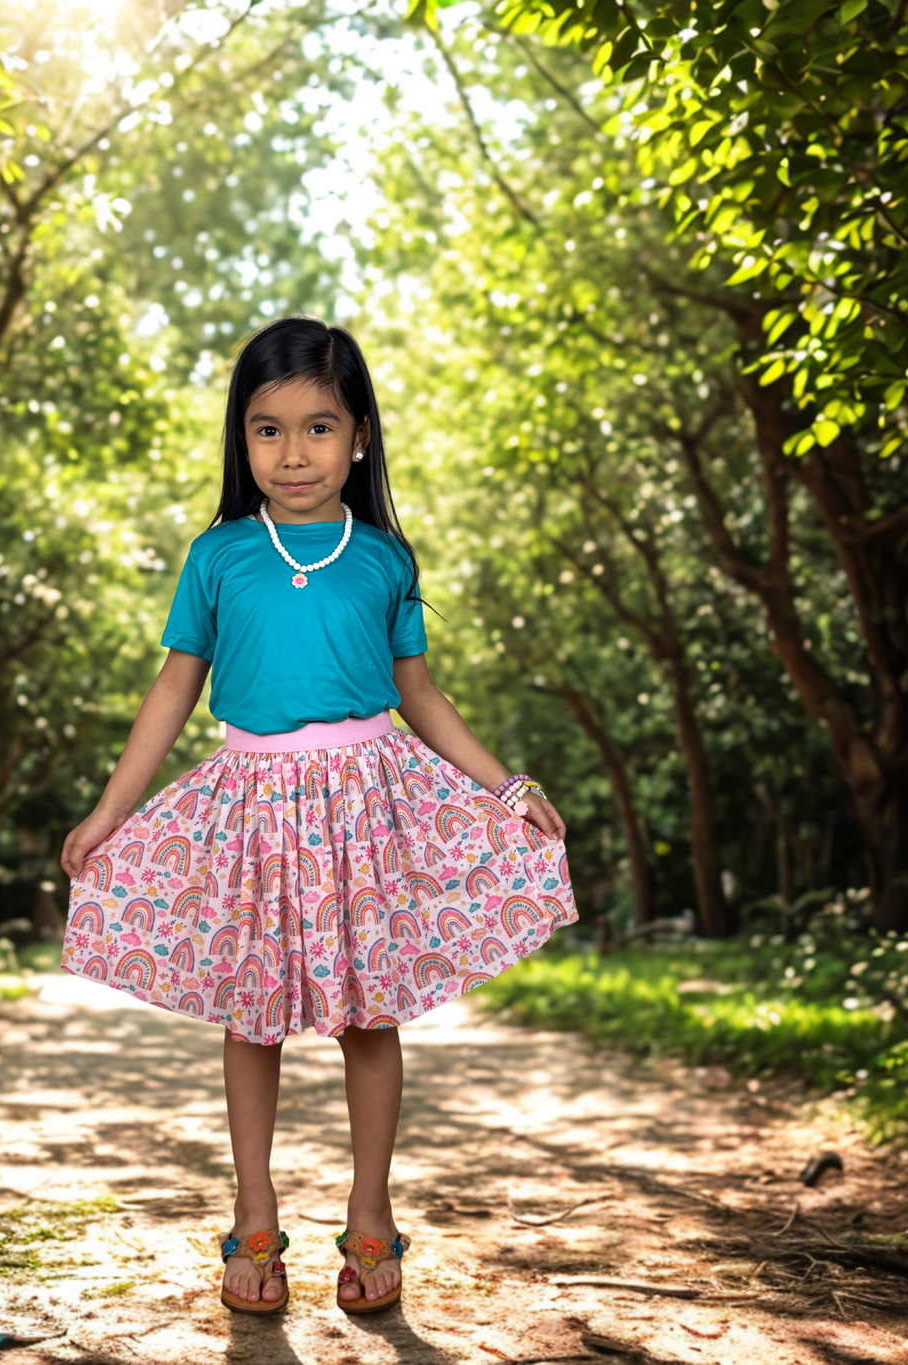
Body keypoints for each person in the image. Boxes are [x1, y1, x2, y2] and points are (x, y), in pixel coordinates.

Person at [59, 315, 578, 1317]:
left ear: (361, 436)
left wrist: (507, 790)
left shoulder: (384, 559)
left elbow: (419, 695)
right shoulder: (218, 557)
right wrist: (108, 810)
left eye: (318, 427)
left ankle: (370, 1212)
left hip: (368, 808)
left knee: (366, 1015)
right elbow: (172, 693)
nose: (293, 453)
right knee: (252, 1020)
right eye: (267, 429)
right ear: (239, 438)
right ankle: (255, 1214)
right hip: (253, 810)